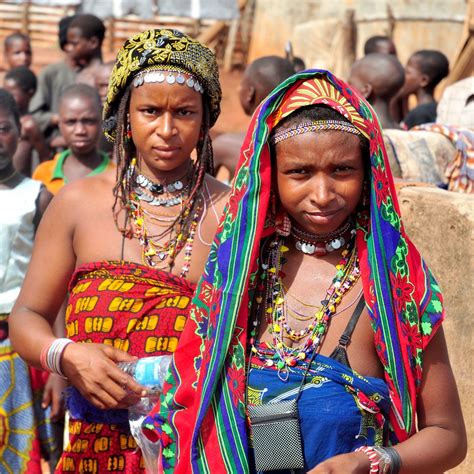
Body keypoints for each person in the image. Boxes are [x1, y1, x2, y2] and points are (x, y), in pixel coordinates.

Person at [142, 70, 467, 473]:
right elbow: (196, 409)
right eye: (299, 173)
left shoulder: (394, 282)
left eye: (343, 171)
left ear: (368, 174)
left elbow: (448, 436)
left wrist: (370, 461)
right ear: (270, 177)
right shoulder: (240, 278)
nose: (323, 194)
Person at [9, 28, 229, 473]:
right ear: (124, 117)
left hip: (200, 447)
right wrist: (67, 356)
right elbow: (27, 316)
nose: (166, 130)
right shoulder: (77, 204)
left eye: (184, 113)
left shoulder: (234, 212)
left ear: (205, 119)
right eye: (150, 111)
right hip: (96, 444)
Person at [0, 88, 61, 473]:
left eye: (2, 128)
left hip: (18, 349)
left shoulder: (36, 197)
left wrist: (56, 367)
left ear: (18, 131)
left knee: (25, 452)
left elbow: (58, 285)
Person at [213, 55, 295, 182]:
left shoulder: (224, 145)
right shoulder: (298, 150)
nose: (238, 88)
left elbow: (200, 194)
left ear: (250, 94)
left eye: (242, 84)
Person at [29, 14, 105, 149]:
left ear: (93, 43)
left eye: (74, 43)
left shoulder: (104, 75)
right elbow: (35, 115)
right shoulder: (76, 75)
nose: (69, 48)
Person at [32, 83, 113, 194]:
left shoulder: (116, 175)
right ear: (60, 124)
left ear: (101, 121)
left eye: (89, 121)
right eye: (71, 122)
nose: (80, 131)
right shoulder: (44, 173)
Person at [4, 66, 51, 175]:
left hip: (19, 186)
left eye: (12, 94)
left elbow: (44, 157)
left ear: (30, 92)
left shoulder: (28, 125)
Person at [349, 53, 405, 129]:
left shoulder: (356, 136)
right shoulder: (408, 135)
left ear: (365, 91)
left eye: (349, 83)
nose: (345, 87)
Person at [400, 50, 449, 129]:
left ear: (424, 80)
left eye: (407, 72)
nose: (402, 76)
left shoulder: (419, 114)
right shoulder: (436, 108)